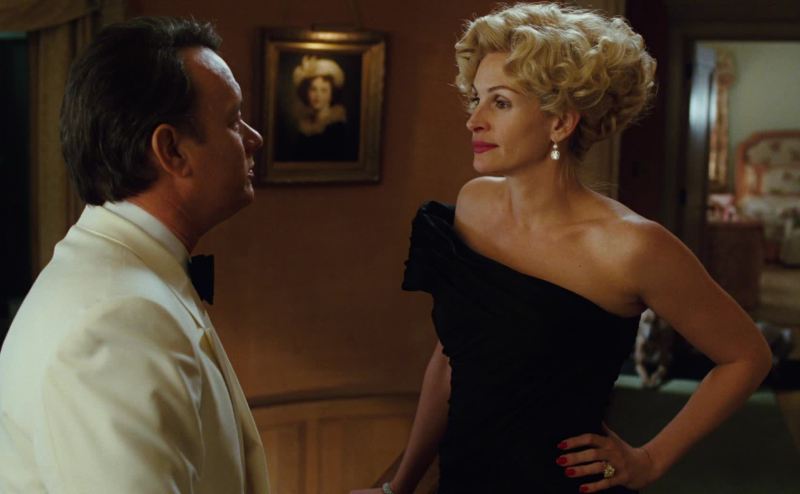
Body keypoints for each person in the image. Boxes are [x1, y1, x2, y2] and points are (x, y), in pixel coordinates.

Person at [351, 4, 771, 494]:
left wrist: (650, 460)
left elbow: (747, 356)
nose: (474, 121)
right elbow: (449, 360)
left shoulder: (632, 246)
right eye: (476, 99)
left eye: (500, 103)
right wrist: (399, 485)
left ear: (560, 123)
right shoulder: (473, 205)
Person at [0, 17, 270, 493]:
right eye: (233, 120)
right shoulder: (113, 323)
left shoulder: (124, 273)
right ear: (171, 150)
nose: (254, 139)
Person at [285, 55, 357, 161]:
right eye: (313, 89)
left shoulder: (337, 127)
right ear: (306, 92)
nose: (317, 95)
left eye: (324, 90)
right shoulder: (304, 126)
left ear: (332, 94)